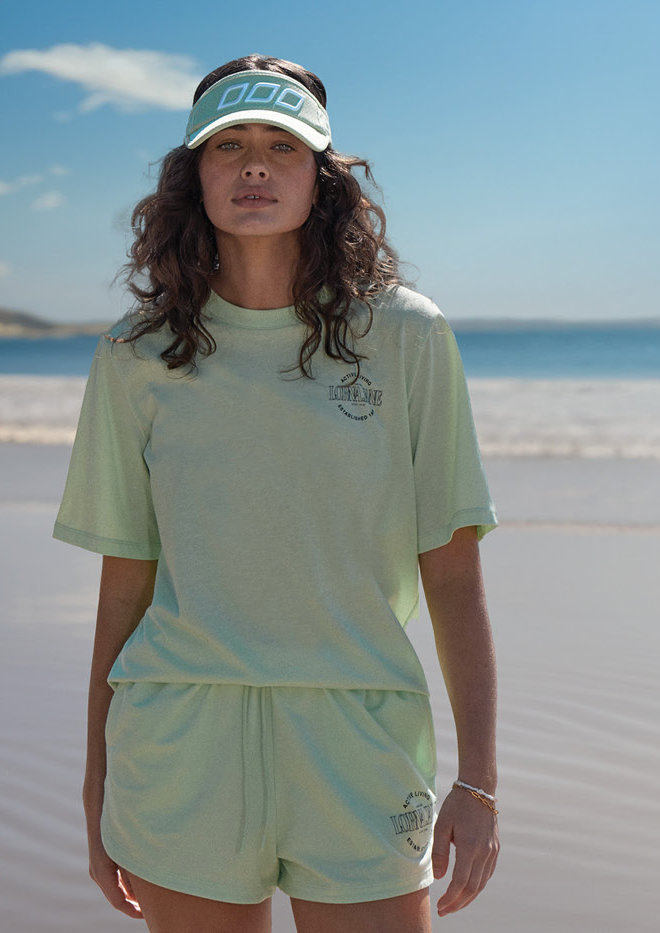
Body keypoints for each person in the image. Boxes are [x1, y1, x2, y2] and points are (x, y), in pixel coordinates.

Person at [56, 54, 501, 931]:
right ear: (194, 177)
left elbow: (452, 576)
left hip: (361, 732)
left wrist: (480, 778)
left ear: (321, 179)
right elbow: (125, 583)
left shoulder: (407, 335)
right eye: (228, 146)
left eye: (282, 147)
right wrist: (96, 781)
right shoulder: (134, 354)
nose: (254, 165)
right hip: (182, 735)